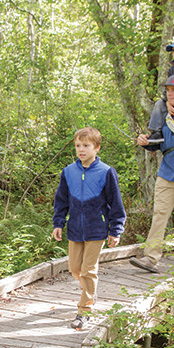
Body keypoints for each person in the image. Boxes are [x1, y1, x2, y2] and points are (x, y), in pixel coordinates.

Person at [52, 127, 126, 330]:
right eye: (78, 145)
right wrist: (58, 223)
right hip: (75, 228)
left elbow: (116, 203)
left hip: (97, 228)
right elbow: (61, 201)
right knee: (75, 269)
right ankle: (90, 291)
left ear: (97, 147)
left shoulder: (106, 172)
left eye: (86, 145)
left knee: (88, 270)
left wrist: (115, 230)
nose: (81, 149)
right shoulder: (68, 172)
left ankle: (84, 311)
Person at [131, 74, 174, 273]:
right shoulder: (164, 113)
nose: (170, 93)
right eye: (168, 90)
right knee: (159, 215)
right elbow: (157, 141)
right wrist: (145, 142)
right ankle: (151, 258)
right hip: (167, 173)